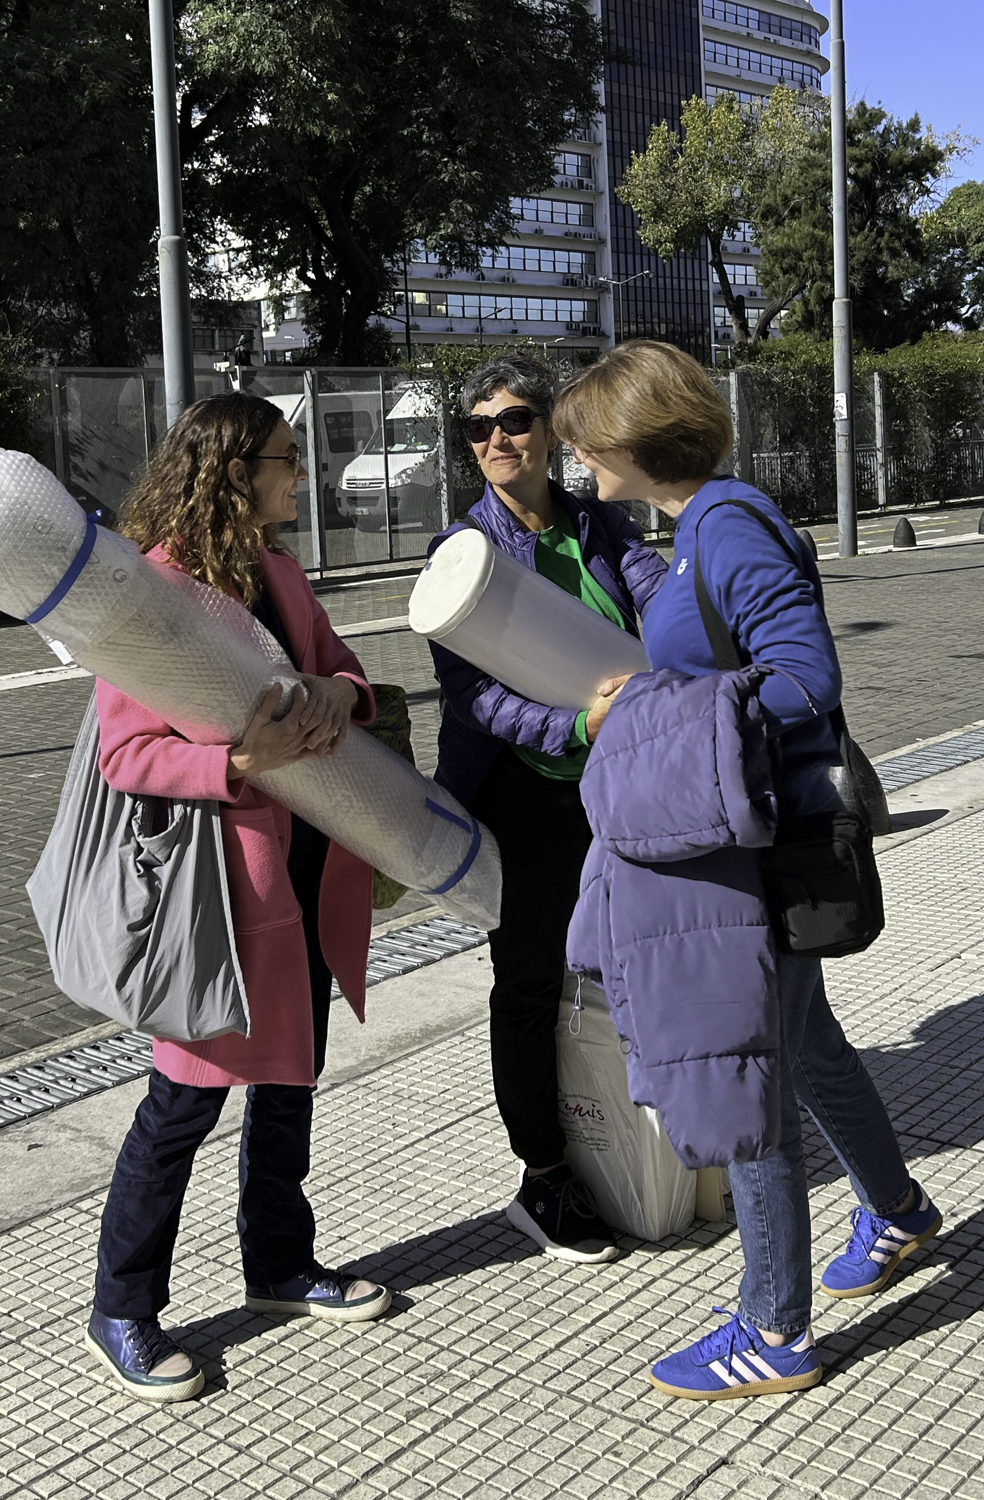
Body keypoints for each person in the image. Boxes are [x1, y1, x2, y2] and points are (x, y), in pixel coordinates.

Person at [554, 341, 942, 1398]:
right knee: (806, 1045)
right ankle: (899, 1211)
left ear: (633, 439)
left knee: (749, 1070)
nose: (580, 463)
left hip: (756, 846)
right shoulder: (698, 525)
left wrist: (650, 709)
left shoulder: (724, 526)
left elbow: (807, 677)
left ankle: (773, 1331)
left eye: (587, 445)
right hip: (748, 834)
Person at [84, 393, 391, 1404]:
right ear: (232, 472)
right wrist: (238, 764)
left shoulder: (280, 571)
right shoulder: (153, 594)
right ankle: (122, 1307)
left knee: (292, 1077)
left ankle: (281, 1265)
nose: (302, 475)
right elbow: (127, 755)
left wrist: (344, 692)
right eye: (285, 459)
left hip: (306, 870)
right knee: (184, 1100)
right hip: (217, 894)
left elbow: (341, 668)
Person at [428, 353, 667, 1262]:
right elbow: (474, 699)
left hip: (618, 779)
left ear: (550, 430)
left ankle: (638, 1134)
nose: (497, 438)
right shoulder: (463, 553)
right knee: (529, 982)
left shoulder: (598, 524)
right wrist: (575, 725)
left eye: (514, 419)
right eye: (478, 427)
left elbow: (661, 605)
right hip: (525, 791)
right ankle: (544, 1174)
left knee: (629, 961)